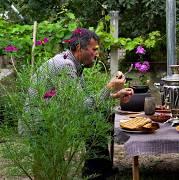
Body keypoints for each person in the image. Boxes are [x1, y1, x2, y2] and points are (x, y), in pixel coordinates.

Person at [21, 28, 133, 179]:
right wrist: (109, 87)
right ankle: (96, 173)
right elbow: (82, 106)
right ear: (80, 48)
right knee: (50, 172)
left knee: (95, 121)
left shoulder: (73, 63)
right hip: (41, 124)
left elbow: (85, 101)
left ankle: (97, 172)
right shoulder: (65, 65)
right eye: (94, 49)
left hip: (53, 120)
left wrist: (115, 95)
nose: (97, 54)